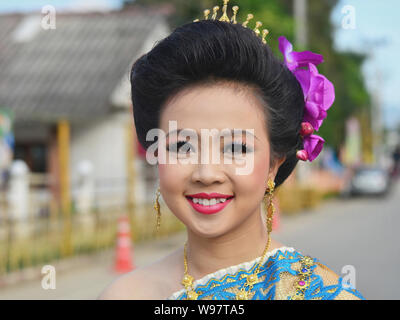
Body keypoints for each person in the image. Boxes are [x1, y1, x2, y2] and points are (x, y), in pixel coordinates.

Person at [99, 0, 364, 300]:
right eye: (182, 145)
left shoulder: (320, 294)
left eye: (236, 148)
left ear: (274, 163)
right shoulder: (125, 295)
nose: (206, 173)